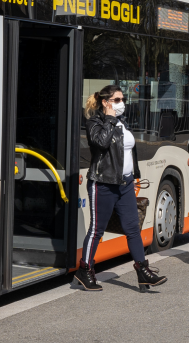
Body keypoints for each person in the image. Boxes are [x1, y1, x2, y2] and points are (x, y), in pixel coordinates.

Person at [76, 84, 167, 291]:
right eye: (117, 100)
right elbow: (101, 142)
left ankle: (143, 272)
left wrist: (133, 177)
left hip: (125, 183)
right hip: (103, 184)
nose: (121, 103)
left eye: (122, 99)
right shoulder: (94, 122)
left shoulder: (122, 122)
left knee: (133, 228)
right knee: (97, 230)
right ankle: (85, 270)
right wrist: (109, 118)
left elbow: (128, 151)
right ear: (106, 102)